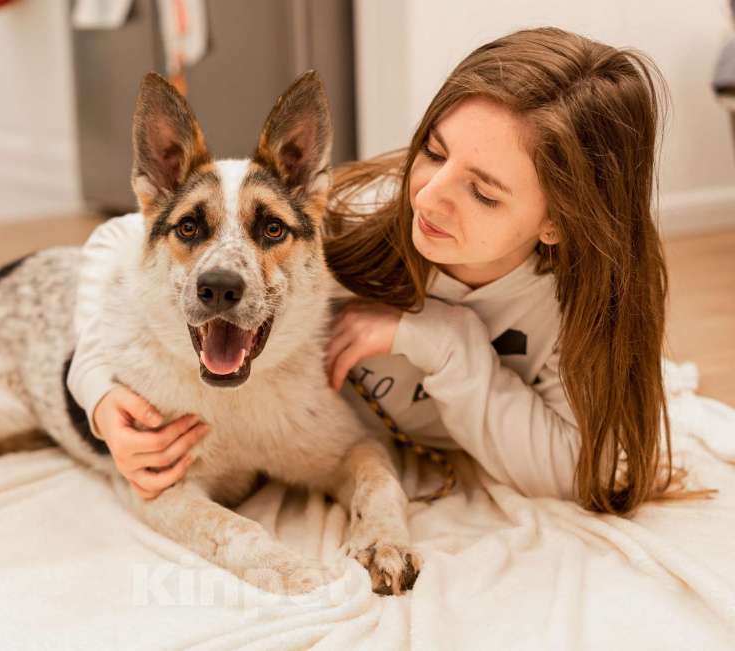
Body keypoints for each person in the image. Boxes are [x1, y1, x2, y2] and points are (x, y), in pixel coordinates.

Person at [68, 27, 703, 516]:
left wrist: (439, 338)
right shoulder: (351, 220)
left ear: (559, 220)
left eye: (483, 192)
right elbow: (120, 239)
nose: (427, 198)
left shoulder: (576, 306)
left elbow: (581, 472)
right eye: (433, 151)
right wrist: (96, 388)